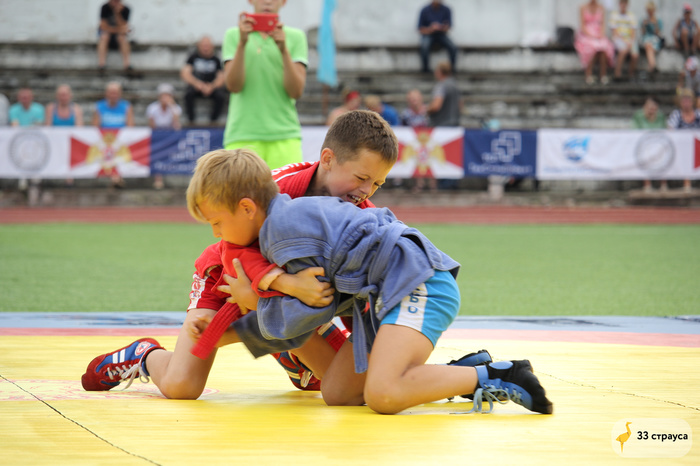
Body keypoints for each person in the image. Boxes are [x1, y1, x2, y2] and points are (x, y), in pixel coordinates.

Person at [185, 149, 553, 416]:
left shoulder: (283, 233)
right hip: (386, 293)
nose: (217, 234)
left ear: (247, 208)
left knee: (383, 394)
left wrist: (244, 316)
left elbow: (309, 312)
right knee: (339, 393)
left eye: (217, 223)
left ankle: (498, 375)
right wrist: (274, 290)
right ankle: (458, 372)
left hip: (417, 283)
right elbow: (313, 304)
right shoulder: (284, 222)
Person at [80, 110, 415, 400]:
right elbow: (232, 248)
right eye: (361, 178)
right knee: (181, 385)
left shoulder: (362, 216)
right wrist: (283, 285)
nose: (365, 191)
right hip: (227, 279)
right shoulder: (276, 188)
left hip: (283, 298)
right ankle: (144, 355)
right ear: (327, 159)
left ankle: (290, 351)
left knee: (348, 385)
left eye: (377, 184)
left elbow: (362, 293)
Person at [222, 0, 307, 170]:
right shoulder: (233, 35)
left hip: (285, 135)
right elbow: (233, 86)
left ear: (283, 2)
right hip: (242, 134)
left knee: (288, 188)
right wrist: (242, 44)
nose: (267, 1)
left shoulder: (296, 36)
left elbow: (296, 91)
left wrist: (284, 50)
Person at [93, 81, 134, 188]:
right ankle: (116, 177)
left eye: (115, 93)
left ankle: (115, 177)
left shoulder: (126, 106)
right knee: (108, 149)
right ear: (106, 94)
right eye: (111, 92)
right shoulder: (99, 106)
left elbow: (130, 127)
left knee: (117, 148)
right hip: (105, 140)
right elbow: (95, 127)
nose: (113, 95)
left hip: (121, 140)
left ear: (120, 94)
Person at [180, 36, 227, 125]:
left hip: (211, 87)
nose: (206, 48)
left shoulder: (216, 60)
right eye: (203, 46)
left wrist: (211, 86)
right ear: (199, 46)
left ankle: (213, 122)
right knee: (188, 95)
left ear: (212, 47)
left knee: (221, 97)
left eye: (207, 46)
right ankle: (191, 121)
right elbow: (185, 73)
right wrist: (197, 84)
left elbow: (221, 77)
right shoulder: (193, 58)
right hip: (196, 86)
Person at [147, 83, 182, 189]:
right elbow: (152, 126)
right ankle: (158, 180)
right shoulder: (152, 108)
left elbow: (177, 126)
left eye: (167, 95)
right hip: (157, 136)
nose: (165, 98)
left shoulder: (176, 108)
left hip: (170, 136)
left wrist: (171, 107)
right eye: (163, 95)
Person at [574, 0, 615, 85]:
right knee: (592, 47)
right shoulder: (583, 7)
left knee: (604, 47)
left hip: (598, 34)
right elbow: (582, 26)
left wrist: (600, 35)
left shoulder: (601, 8)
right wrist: (592, 35)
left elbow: (603, 25)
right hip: (586, 35)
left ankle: (603, 75)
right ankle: (588, 74)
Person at [665, 88, 697, 193]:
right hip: (680, 146)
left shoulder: (698, 114)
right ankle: (686, 183)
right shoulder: (676, 115)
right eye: (684, 100)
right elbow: (670, 130)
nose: (686, 103)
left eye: (688, 100)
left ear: (692, 102)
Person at [632, 96, 665, 193]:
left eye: (654, 105)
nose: (651, 108)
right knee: (643, 155)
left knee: (663, 153)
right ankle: (647, 185)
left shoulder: (661, 116)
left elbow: (665, 131)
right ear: (644, 106)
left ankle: (663, 184)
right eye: (649, 105)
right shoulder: (638, 116)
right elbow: (633, 131)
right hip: (643, 146)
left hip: (658, 145)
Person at [417, 1, 457, 74]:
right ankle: (425, 70)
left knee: (453, 47)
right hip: (428, 34)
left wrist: (440, 27)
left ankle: (451, 70)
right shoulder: (425, 10)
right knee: (424, 46)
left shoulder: (446, 10)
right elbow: (420, 29)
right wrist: (430, 29)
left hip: (441, 35)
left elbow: (448, 27)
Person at [97, 0, 132, 75]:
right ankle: (101, 64)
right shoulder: (105, 8)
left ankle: (127, 64)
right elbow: (103, 26)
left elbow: (124, 27)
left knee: (122, 38)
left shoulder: (126, 9)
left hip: (118, 36)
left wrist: (117, 14)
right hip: (108, 35)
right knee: (104, 36)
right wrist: (118, 30)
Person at [610, 0, 639, 81]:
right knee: (623, 50)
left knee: (635, 55)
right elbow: (614, 32)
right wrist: (625, 41)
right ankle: (617, 73)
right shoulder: (614, 15)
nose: (623, 5)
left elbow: (633, 32)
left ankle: (631, 74)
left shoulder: (631, 16)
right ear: (619, 4)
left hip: (629, 40)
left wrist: (630, 42)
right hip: (618, 39)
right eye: (622, 3)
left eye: (625, 3)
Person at [427, 61, 460, 127]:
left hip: (441, 125)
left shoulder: (441, 86)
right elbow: (460, 104)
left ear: (440, 72)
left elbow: (436, 106)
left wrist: (425, 110)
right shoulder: (455, 85)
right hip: (455, 123)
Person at [639, 1, 664, 76]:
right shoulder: (643, 20)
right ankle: (653, 66)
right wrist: (644, 25)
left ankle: (651, 67)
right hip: (646, 39)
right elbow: (643, 33)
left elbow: (658, 33)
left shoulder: (658, 20)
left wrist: (655, 24)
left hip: (655, 39)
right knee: (649, 46)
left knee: (649, 47)